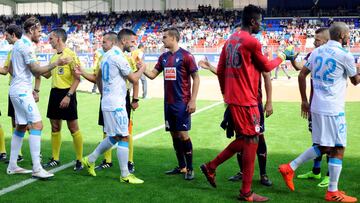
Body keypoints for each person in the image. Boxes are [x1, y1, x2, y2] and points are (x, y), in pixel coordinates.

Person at [199, 5, 294, 201]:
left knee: (250, 140)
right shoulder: (251, 42)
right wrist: (283, 56)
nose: (261, 25)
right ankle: (243, 190)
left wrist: (226, 96)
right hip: (247, 100)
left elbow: (222, 70)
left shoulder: (230, 40)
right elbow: (267, 67)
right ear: (252, 21)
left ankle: (214, 169)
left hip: (235, 99)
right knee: (252, 141)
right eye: (260, 21)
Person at [279, 22, 360, 202]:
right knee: (338, 148)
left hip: (317, 106)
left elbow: (301, 74)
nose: (349, 37)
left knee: (325, 146)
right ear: (341, 36)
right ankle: (332, 191)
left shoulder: (316, 52)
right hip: (333, 109)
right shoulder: (345, 54)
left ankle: (290, 168)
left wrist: (304, 101)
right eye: (348, 35)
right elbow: (356, 81)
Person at [7, 17, 71, 179]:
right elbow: (37, 70)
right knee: (37, 125)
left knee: (21, 126)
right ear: (31, 30)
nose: (41, 35)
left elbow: (12, 69)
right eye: (39, 31)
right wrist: (57, 63)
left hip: (18, 89)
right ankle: (37, 168)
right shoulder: (26, 47)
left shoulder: (18, 45)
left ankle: (13, 165)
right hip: (21, 91)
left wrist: (27, 85)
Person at [81, 29, 144, 184]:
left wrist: (104, 94)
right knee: (123, 136)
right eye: (131, 41)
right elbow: (135, 78)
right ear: (123, 41)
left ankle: (90, 159)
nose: (133, 44)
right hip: (117, 104)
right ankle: (125, 175)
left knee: (114, 136)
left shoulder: (105, 56)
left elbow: (98, 78)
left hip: (108, 101)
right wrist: (142, 67)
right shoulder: (119, 57)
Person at [198, 58, 273, 186]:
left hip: (254, 105)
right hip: (238, 105)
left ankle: (263, 174)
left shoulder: (255, 56)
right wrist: (211, 67)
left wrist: (269, 101)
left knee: (258, 138)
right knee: (242, 138)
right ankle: (242, 173)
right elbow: (225, 76)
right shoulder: (235, 58)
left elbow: (266, 75)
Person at [144, 27, 200, 180]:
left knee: (183, 134)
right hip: (168, 103)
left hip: (182, 102)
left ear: (173, 38)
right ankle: (181, 166)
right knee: (174, 134)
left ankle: (190, 168)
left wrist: (193, 99)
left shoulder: (186, 56)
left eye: (165, 37)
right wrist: (141, 68)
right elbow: (152, 75)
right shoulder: (163, 57)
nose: (162, 40)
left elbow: (196, 78)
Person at [291, 27, 331, 188]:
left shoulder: (334, 57)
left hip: (328, 107)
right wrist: (292, 59)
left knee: (329, 142)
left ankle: (329, 175)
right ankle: (316, 172)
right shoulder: (313, 55)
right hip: (315, 106)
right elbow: (300, 68)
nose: (314, 42)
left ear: (327, 41)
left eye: (317, 40)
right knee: (317, 139)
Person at [41, 28, 84, 171]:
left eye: (51, 39)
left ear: (58, 39)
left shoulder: (71, 55)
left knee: (73, 128)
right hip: (54, 93)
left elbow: (78, 79)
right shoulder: (54, 58)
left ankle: (79, 159)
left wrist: (68, 96)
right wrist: (33, 67)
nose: (49, 41)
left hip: (68, 93)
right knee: (55, 127)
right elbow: (47, 75)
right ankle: (55, 158)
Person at [0, 24, 25, 162]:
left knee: (25, 123)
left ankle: (34, 152)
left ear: (13, 35)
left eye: (7, 35)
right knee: (15, 122)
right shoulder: (14, 50)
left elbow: (6, 71)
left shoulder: (19, 49)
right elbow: (6, 70)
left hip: (20, 90)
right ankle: (17, 154)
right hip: (15, 90)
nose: (5, 37)